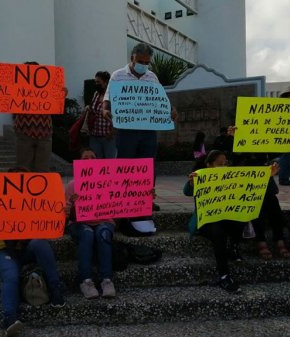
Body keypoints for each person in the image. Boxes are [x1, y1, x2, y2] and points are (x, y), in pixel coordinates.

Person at [0, 167, 66, 336]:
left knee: (39, 243)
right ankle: (10, 319)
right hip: (3, 251)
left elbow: (51, 225)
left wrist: (63, 214)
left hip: (27, 249)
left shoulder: (35, 203)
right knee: (11, 275)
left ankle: (56, 288)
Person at [102, 42, 178, 212]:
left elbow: (161, 101)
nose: (143, 65)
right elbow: (108, 97)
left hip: (148, 129)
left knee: (147, 165)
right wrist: (105, 108)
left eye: (146, 62)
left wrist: (170, 110)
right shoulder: (118, 75)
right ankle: (122, 199)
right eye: (140, 61)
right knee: (124, 164)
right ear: (132, 58)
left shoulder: (152, 77)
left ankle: (146, 200)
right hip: (126, 129)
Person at [185, 150, 244, 293]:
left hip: (226, 218)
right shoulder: (200, 176)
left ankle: (233, 247)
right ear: (209, 165)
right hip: (206, 221)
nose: (224, 166)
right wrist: (192, 183)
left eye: (225, 163)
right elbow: (187, 191)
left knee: (241, 219)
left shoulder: (230, 178)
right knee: (218, 232)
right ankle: (224, 275)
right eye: (219, 164)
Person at [0, 62, 68, 172]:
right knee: (23, 168)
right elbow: (8, 101)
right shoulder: (18, 87)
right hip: (24, 132)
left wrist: (62, 94)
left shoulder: (47, 87)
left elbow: (55, 103)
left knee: (42, 169)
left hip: (44, 133)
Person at [65, 148, 116, 299]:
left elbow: (120, 203)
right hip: (80, 223)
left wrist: (145, 194)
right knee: (87, 234)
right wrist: (72, 205)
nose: (89, 160)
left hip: (104, 220)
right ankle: (85, 280)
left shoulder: (108, 182)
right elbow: (65, 213)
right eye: (85, 158)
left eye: (92, 157)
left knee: (103, 233)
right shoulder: (72, 185)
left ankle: (107, 280)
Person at [87, 71, 116, 159]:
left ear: (106, 82)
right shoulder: (96, 94)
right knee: (95, 162)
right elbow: (93, 109)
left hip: (109, 137)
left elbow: (119, 115)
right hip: (95, 136)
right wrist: (88, 108)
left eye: (98, 82)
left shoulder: (114, 95)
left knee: (110, 163)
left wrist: (113, 132)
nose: (96, 84)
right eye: (95, 82)